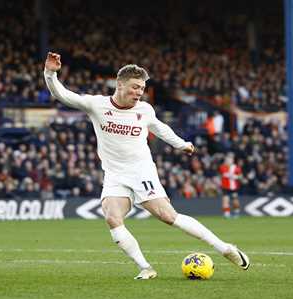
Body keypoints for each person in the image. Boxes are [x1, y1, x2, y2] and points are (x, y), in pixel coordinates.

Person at [43, 52, 250, 280]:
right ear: (119, 85)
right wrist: (51, 73)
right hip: (114, 173)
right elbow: (61, 94)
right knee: (112, 217)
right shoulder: (97, 105)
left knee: (168, 216)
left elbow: (160, 129)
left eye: (141, 88)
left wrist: (182, 144)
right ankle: (145, 267)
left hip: (141, 171)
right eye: (134, 87)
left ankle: (225, 248)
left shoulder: (144, 110)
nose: (139, 92)